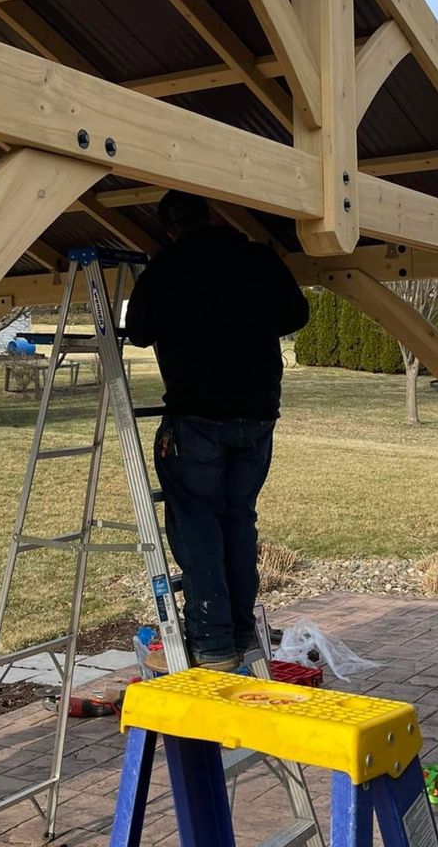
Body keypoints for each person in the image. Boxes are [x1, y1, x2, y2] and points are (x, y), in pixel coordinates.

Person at [125, 190, 309, 671]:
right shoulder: (254, 258)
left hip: (197, 419)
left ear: (169, 227)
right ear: (211, 215)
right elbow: (297, 314)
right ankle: (241, 631)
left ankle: (212, 642)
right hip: (256, 416)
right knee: (238, 519)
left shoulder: (166, 268)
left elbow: (139, 330)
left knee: (199, 523)